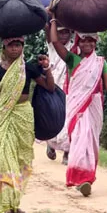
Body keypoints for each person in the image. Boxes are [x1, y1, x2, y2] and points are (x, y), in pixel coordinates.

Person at [0, 37, 55, 213]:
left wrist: (47, 68)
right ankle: (4, 208)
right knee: (5, 159)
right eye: (11, 45)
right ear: (4, 46)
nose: (15, 49)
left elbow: (49, 87)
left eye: (18, 45)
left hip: (23, 116)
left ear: (22, 47)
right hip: (4, 116)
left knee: (21, 160)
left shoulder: (28, 67)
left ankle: (13, 203)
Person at [49, 19, 107, 197]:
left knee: (91, 141)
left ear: (95, 42)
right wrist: (53, 19)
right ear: (78, 42)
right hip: (77, 106)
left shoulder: (100, 62)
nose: (88, 44)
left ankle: (87, 179)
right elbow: (55, 42)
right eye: (84, 40)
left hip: (94, 106)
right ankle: (80, 177)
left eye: (91, 40)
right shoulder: (72, 59)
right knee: (79, 139)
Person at [45, 23, 76, 164]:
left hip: (70, 88)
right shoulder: (52, 46)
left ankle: (67, 152)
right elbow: (47, 29)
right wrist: (51, 17)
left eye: (66, 32)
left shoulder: (75, 47)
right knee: (53, 117)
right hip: (53, 86)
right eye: (60, 32)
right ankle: (50, 144)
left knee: (68, 119)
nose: (64, 35)